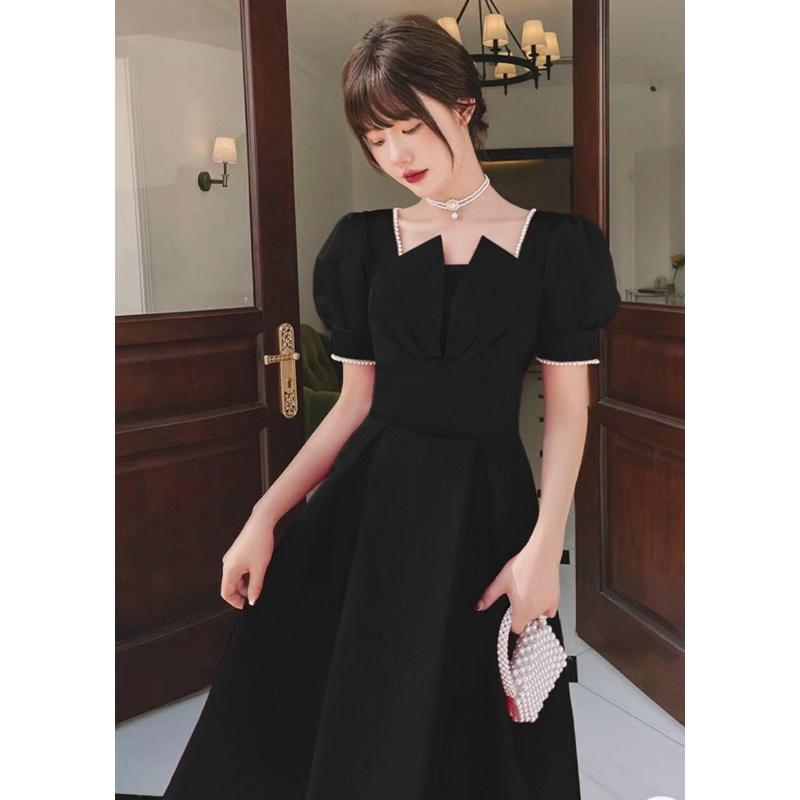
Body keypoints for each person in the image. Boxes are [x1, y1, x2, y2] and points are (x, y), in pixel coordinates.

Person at [162, 13, 621, 800]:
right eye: (377, 139)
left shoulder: (557, 246)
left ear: (464, 105)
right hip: (367, 509)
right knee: (342, 707)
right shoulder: (362, 244)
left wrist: (545, 548)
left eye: (410, 127)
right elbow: (352, 408)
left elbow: (569, 412)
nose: (396, 155)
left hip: (485, 507)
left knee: (470, 730)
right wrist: (265, 516)